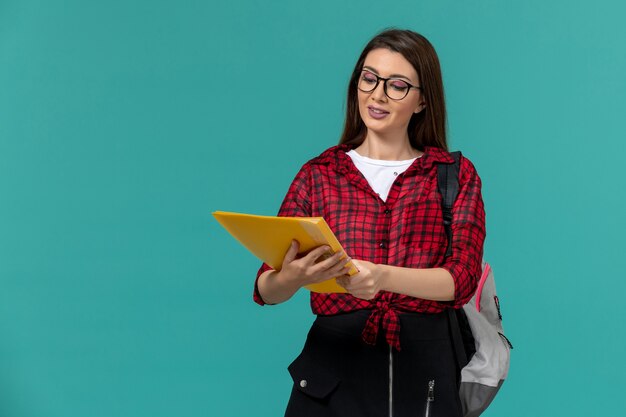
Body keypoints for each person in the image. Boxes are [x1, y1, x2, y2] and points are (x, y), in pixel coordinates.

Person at [253, 28, 486, 417]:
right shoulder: (319, 174)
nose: (377, 94)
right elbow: (266, 288)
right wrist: (293, 277)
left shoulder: (453, 174)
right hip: (331, 375)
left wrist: (382, 277)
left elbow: (461, 279)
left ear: (423, 99)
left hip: (424, 373)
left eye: (396, 85)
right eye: (369, 78)